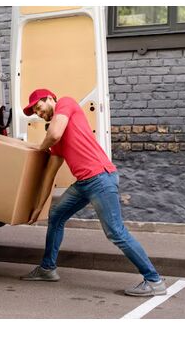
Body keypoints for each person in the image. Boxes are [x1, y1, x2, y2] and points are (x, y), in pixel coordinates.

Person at [19, 88, 166, 297]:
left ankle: (154, 281)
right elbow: (49, 176)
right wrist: (38, 208)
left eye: (39, 108)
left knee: (115, 232)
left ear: (50, 98)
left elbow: (53, 133)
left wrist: (39, 149)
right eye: (36, 112)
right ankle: (47, 269)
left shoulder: (66, 103)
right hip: (84, 183)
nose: (39, 114)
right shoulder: (56, 141)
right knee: (56, 215)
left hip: (100, 178)